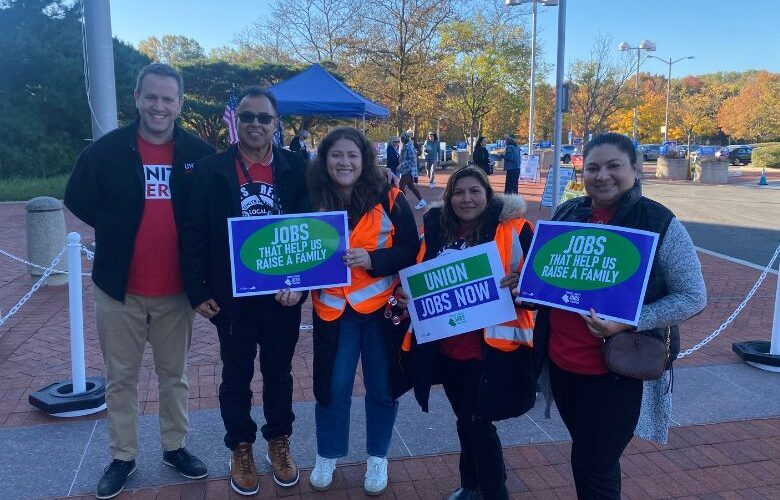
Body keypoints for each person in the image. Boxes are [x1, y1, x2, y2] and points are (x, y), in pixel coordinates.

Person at [64, 63, 214, 500]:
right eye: (152, 97)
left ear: (179, 103)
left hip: (176, 290)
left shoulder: (198, 154)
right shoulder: (107, 151)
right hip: (119, 288)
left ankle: (175, 447)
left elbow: (209, 212)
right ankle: (123, 456)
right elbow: (77, 198)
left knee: (175, 376)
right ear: (136, 98)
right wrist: (116, 227)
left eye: (168, 98)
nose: (159, 106)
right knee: (121, 378)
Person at [531, 133, 707, 500]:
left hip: (617, 373)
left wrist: (629, 321)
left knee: (592, 466)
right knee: (593, 459)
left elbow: (692, 296)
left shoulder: (658, 221)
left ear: (635, 169)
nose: (602, 176)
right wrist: (530, 285)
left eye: (614, 166)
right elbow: (550, 280)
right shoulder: (568, 212)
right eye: (593, 167)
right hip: (563, 366)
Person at [180, 86, 309, 496]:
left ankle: (278, 440)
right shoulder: (211, 169)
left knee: (279, 373)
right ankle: (240, 445)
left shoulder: (297, 167)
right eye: (248, 117)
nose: (256, 124)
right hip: (231, 298)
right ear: (237, 121)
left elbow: (312, 232)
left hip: (281, 298)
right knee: (236, 375)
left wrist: (301, 286)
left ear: (276, 123)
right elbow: (194, 232)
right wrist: (196, 290)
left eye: (264, 118)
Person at [396, 166, 537, 500]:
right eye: (459, 192)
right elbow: (413, 278)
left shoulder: (516, 229)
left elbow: (541, 288)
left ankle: (493, 491)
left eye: (475, 191)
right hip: (446, 349)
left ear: (488, 195)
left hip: (490, 349)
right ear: (449, 197)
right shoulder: (435, 230)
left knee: (477, 422)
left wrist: (526, 286)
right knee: (465, 420)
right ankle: (471, 485)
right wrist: (400, 295)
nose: (467, 198)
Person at [306, 127, 419, 496]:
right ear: (325, 159)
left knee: (382, 387)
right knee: (333, 386)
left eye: (352, 155)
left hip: (380, 310)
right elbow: (296, 251)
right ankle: (328, 452)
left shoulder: (391, 198)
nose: (344, 162)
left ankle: (377, 456)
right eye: (336, 155)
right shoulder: (311, 198)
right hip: (333, 311)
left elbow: (409, 250)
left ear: (364, 159)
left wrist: (373, 259)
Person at [398, 132, 427, 209]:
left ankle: (404, 204)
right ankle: (422, 201)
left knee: (401, 186)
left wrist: (402, 164)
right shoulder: (405, 146)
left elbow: (413, 160)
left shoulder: (409, 147)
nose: (400, 140)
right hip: (406, 170)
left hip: (408, 170)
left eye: (401, 138)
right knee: (411, 187)